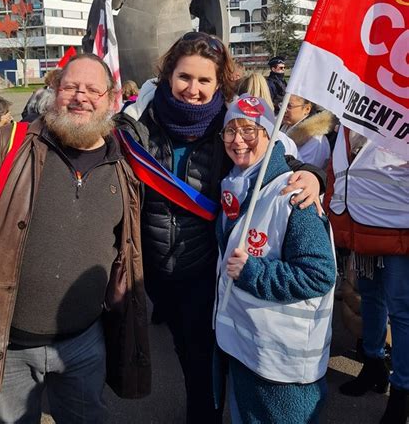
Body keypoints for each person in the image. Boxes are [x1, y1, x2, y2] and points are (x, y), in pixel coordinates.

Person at [116, 32, 326, 423]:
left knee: (207, 361)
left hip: (207, 270)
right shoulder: (137, 124)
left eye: (204, 80)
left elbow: (273, 155)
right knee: (187, 356)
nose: (193, 89)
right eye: (184, 77)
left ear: (219, 83)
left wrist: (313, 175)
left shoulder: (228, 125)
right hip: (160, 274)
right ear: (168, 76)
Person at [0, 54, 150, 423]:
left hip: (85, 341)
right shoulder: (10, 144)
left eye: (92, 89)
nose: (80, 96)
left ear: (111, 99)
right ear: (54, 91)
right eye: (70, 87)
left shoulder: (125, 164)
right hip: (8, 343)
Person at [215, 95, 336, 424]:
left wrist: (252, 272)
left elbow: (319, 274)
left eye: (250, 130)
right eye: (230, 131)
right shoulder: (236, 185)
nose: (238, 140)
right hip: (247, 350)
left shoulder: (294, 193)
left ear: (270, 135)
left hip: (282, 366)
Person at [325, 128, 409, 424]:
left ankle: (402, 391)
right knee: (370, 297)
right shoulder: (354, 110)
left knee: (401, 311)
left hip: (399, 226)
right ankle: (373, 364)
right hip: (363, 220)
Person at [282, 94, 336, 169]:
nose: (283, 109)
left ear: (307, 109)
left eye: (289, 106)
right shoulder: (280, 125)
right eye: (282, 103)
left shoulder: (315, 139)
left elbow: (303, 169)